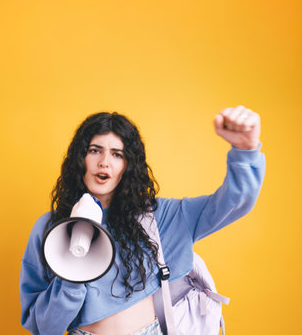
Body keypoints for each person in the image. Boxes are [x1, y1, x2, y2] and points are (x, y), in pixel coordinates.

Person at [20, 105, 265, 335]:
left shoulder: (161, 217)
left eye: (117, 154)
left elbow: (233, 202)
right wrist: (73, 271)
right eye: (94, 150)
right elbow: (43, 327)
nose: (104, 161)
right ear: (80, 158)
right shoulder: (50, 229)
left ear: (128, 165)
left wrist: (245, 152)